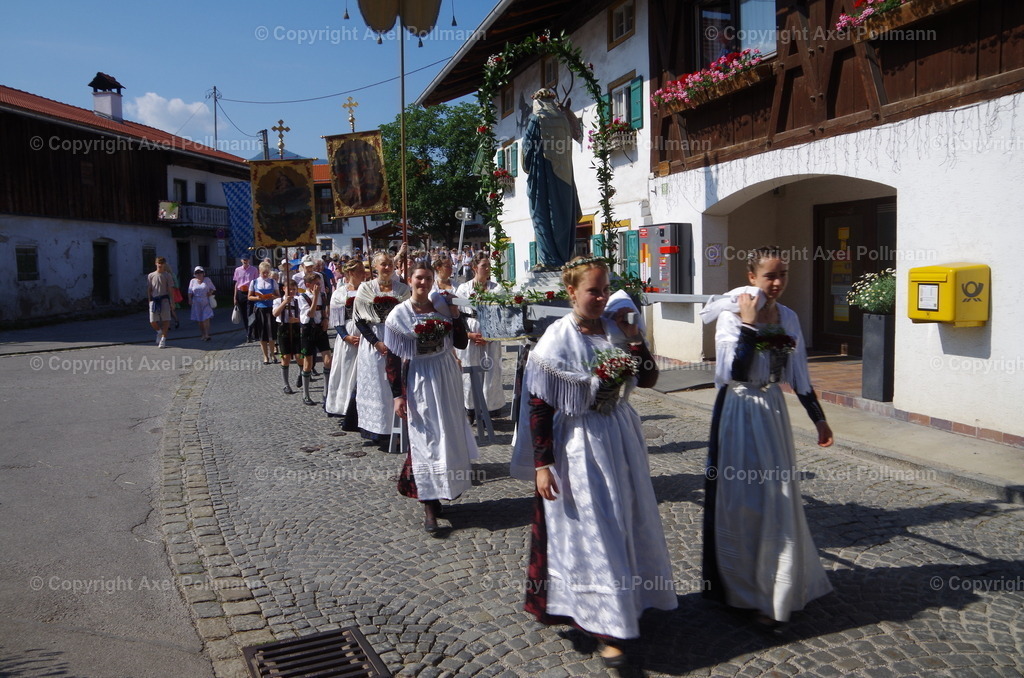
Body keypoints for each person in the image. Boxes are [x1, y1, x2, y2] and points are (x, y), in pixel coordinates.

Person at [510, 256, 676, 669]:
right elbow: (539, 406)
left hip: (620, 435)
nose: (602, 297)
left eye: (605, 289)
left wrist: (636, 338)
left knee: (628, 519)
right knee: (595, 528)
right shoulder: (556, 340)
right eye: (593, 290)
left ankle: (630, 601)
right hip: (580, 442)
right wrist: (542, 464)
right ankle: (607, 627)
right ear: (572, 292)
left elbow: (651, 379)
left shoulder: (617, 329)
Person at [699, 246, 834, 629]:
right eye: (769, 275)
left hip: (772, 411)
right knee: (743, 499)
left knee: (778, 496)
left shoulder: (788, 316)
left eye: (783, 275)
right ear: (752, 275)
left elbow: (799, 372)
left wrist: (819, 419)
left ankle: (777, 586)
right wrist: (748, 324)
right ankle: (742, 588)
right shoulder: (730, 312)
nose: (776, 283)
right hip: (739, 409)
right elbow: (732, 370)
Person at [384, 261, 476, 532]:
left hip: (446, 373)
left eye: (427, 279)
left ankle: (442, 490)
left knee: (446, 434)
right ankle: (427, 502)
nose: (423, 283)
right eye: (418, 278)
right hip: (420, 376)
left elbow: (460, 343)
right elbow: (392, 357)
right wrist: (397, 395)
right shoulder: (399, 314)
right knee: (425, 438)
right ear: (410, 280)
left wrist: (456, 315)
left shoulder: (442, 308)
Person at [522, 88, 582, 271]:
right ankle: (564, 257)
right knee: (563, 217)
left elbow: (527, 149)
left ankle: (549, 260)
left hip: (543, 178)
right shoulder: (563, 119)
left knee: (542, 216)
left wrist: (527, 166)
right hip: (565, 177)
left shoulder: (536, 119)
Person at [353, 253, 411, 441]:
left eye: (390, 264)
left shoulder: (402, 289)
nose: (387, 268)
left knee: (397, 382)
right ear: (375, 267)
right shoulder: (365, 289)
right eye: (383, 265)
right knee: (378, 384)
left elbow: (410, 316)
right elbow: (359, 320)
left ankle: (401, 425)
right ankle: (378, 428)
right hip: (374, 341)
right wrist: (375, 342)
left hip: (397, 338)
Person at [455, 253, 506, 421]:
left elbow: (502, 314)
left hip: (491, 332)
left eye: (489, 266)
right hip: (471, 329)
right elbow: (458, 314)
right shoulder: (464, 289)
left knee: (491, 369)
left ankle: (489, 409)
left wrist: (490, 335)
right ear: (474, 267)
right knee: (470, 371)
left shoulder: (496, 288)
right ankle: (470, 409)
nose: (487, 269)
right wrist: (468, 334)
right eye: (484, 265)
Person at [324, 259, 366, 427]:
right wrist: (346, 336)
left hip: (366, 336)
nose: (363, 274)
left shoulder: (368, 290)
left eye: (364, 270)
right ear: (349, 274)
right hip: (348, 338)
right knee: (347, 370)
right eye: (359, 271)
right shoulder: (340, 293)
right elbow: (337, 320)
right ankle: (343, 406)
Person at [273, 279, 303, 394]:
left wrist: (296, 320)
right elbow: (275, 314)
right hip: (283, 329)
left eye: (294, 290)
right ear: (283, 289)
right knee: (285, 357)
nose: (292, 292)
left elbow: (304, 316)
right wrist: (284, 302)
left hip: (295, 328)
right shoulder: (278, 300)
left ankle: (301, 373)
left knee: (299, 355)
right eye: (289, 289)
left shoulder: (298, 301)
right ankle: (286, 384)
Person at [248, 262, 279, 364]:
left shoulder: (272, 281)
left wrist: (272, 296)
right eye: (263, 272)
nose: (265, 274)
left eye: (267, 272)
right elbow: (249, 296)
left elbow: (278, 296)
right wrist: (257, 298)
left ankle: (273, 354)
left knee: (271, 334)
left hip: (270, 309)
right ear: (259, 272)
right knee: (262, 334)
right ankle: (265, 356)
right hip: (260, 309)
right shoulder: (254, 282)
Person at [147, 257, 175, 349]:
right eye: (158, 263)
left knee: (165, 320)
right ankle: (159, 332)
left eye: (162, 263)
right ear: (156, 263)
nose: (160, 264)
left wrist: (172, 302)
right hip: (154, 300)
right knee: (152, 321)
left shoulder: (167, 275)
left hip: (164, 299)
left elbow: (171, 289)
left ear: (164, 264)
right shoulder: (151, 275)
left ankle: (163, 339)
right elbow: (149, 289)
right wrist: (149, 300)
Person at [233, 255, 258, 342]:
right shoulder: (237, 270)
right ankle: (248, 332)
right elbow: (236, 284)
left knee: (250, 313)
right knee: (244, 314)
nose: (245, 261)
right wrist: (235, 297)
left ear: (249, 260)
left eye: (246, 259)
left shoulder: (254, 269)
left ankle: (251, 333)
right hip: (241, 293)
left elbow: (256, 283)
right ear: (241, 260)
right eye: (243, 260)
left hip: (250, 292)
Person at [187, 266, 216, 341]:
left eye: (200, 272)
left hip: (205, 300)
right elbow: (190, 291)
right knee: (199, 319)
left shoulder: (207, 280)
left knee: (206, 317)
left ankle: (207, 334)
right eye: (197, 273)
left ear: (203, 273)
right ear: (194, 274)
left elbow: (213, 288)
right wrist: (189, 299)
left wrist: (210, 292)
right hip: (196, 301)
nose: (199, 274)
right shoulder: (192, 281)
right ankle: (202, 334)